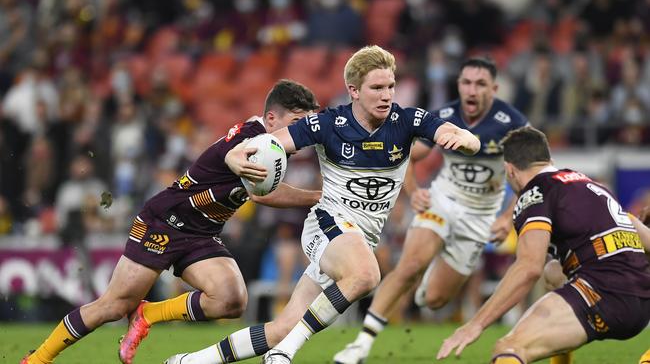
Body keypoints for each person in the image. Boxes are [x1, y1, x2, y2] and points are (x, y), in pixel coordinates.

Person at [164, 45, 480, 364]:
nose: (386, 95)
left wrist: (467, 140)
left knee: (284, 325)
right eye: (377, 88)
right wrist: (236, 153)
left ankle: (188, 361)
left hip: (360, 237)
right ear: (354, 91)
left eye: (390, 86)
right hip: (328, 226)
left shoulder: (408, 120)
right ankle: (285, 353)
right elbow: (272, 142)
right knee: (366, 275)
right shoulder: (328, 124)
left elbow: (454, 132)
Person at [21, 79, 322, 364]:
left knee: (231, 300)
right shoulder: (257, 141)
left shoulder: (274, 144)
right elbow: (255, 185)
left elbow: (254, 185)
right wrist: (321, 197)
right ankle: (37, 358)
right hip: (165, 222)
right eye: (297, 123)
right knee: (113, 306)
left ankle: (149, 314)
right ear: (271, 118)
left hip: (201, 231)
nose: (302, 133)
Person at [332, 57, 528, 364]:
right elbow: (405, 155)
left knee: (435, 300)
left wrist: (507, 217)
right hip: (443, 201)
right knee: (410, 264)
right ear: (459, 85)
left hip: (480, 216)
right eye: (465, 83)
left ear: (494, 88)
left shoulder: (512, 123)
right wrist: (413, 192)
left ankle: (425, 285)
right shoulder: (445, 116)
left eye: (480, 84)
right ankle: (361, 344)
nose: (471, 90)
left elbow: (531, 177)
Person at [437, 127, 650, 364]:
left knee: (510, 347)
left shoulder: (535, 192)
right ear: (550, 160)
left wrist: (475, 324)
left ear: (510, 170)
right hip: (641, 303)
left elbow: (529, 268)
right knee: (554, 273)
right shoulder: (592, 185)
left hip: (603, 294)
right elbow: (642, 238)